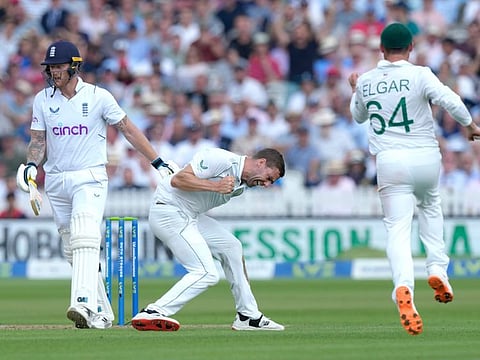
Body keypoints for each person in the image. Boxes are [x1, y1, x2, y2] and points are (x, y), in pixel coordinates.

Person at [15, 40, 175, 330]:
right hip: (56, 180)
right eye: (50, 67)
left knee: (86, 234)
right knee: (70, 247)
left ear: (74, 66)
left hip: (89, 176)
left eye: (59, 66)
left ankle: (83, 302)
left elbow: (127, 128)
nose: (53, 72)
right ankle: (102, 314)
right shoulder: (42, 99)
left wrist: (157, 161)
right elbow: (38, 141)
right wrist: (30, 165)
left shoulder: (99, 97)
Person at [348, 23, 480, 336]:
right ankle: (437, 269)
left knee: (397, 229)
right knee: (431, 207)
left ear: (381, 49)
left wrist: (355, 90)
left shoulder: (365, 81)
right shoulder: (420, 73)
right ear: (410, 48)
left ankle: (403, 288)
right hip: (425, 156)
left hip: (390, 160)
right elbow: (450, 100)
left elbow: (358, 116)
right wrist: (469, 125)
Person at [131, 147, 286, 332]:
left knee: (232, 247)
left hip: (189, 215)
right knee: (206, 273)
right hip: (168, 211)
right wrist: (215, 186)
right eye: (269, 178)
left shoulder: (241, 184)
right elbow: (178, 180)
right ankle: (153, 311)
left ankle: (248, 316)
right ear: (261, 163)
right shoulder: (221, 159)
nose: (267, 184)